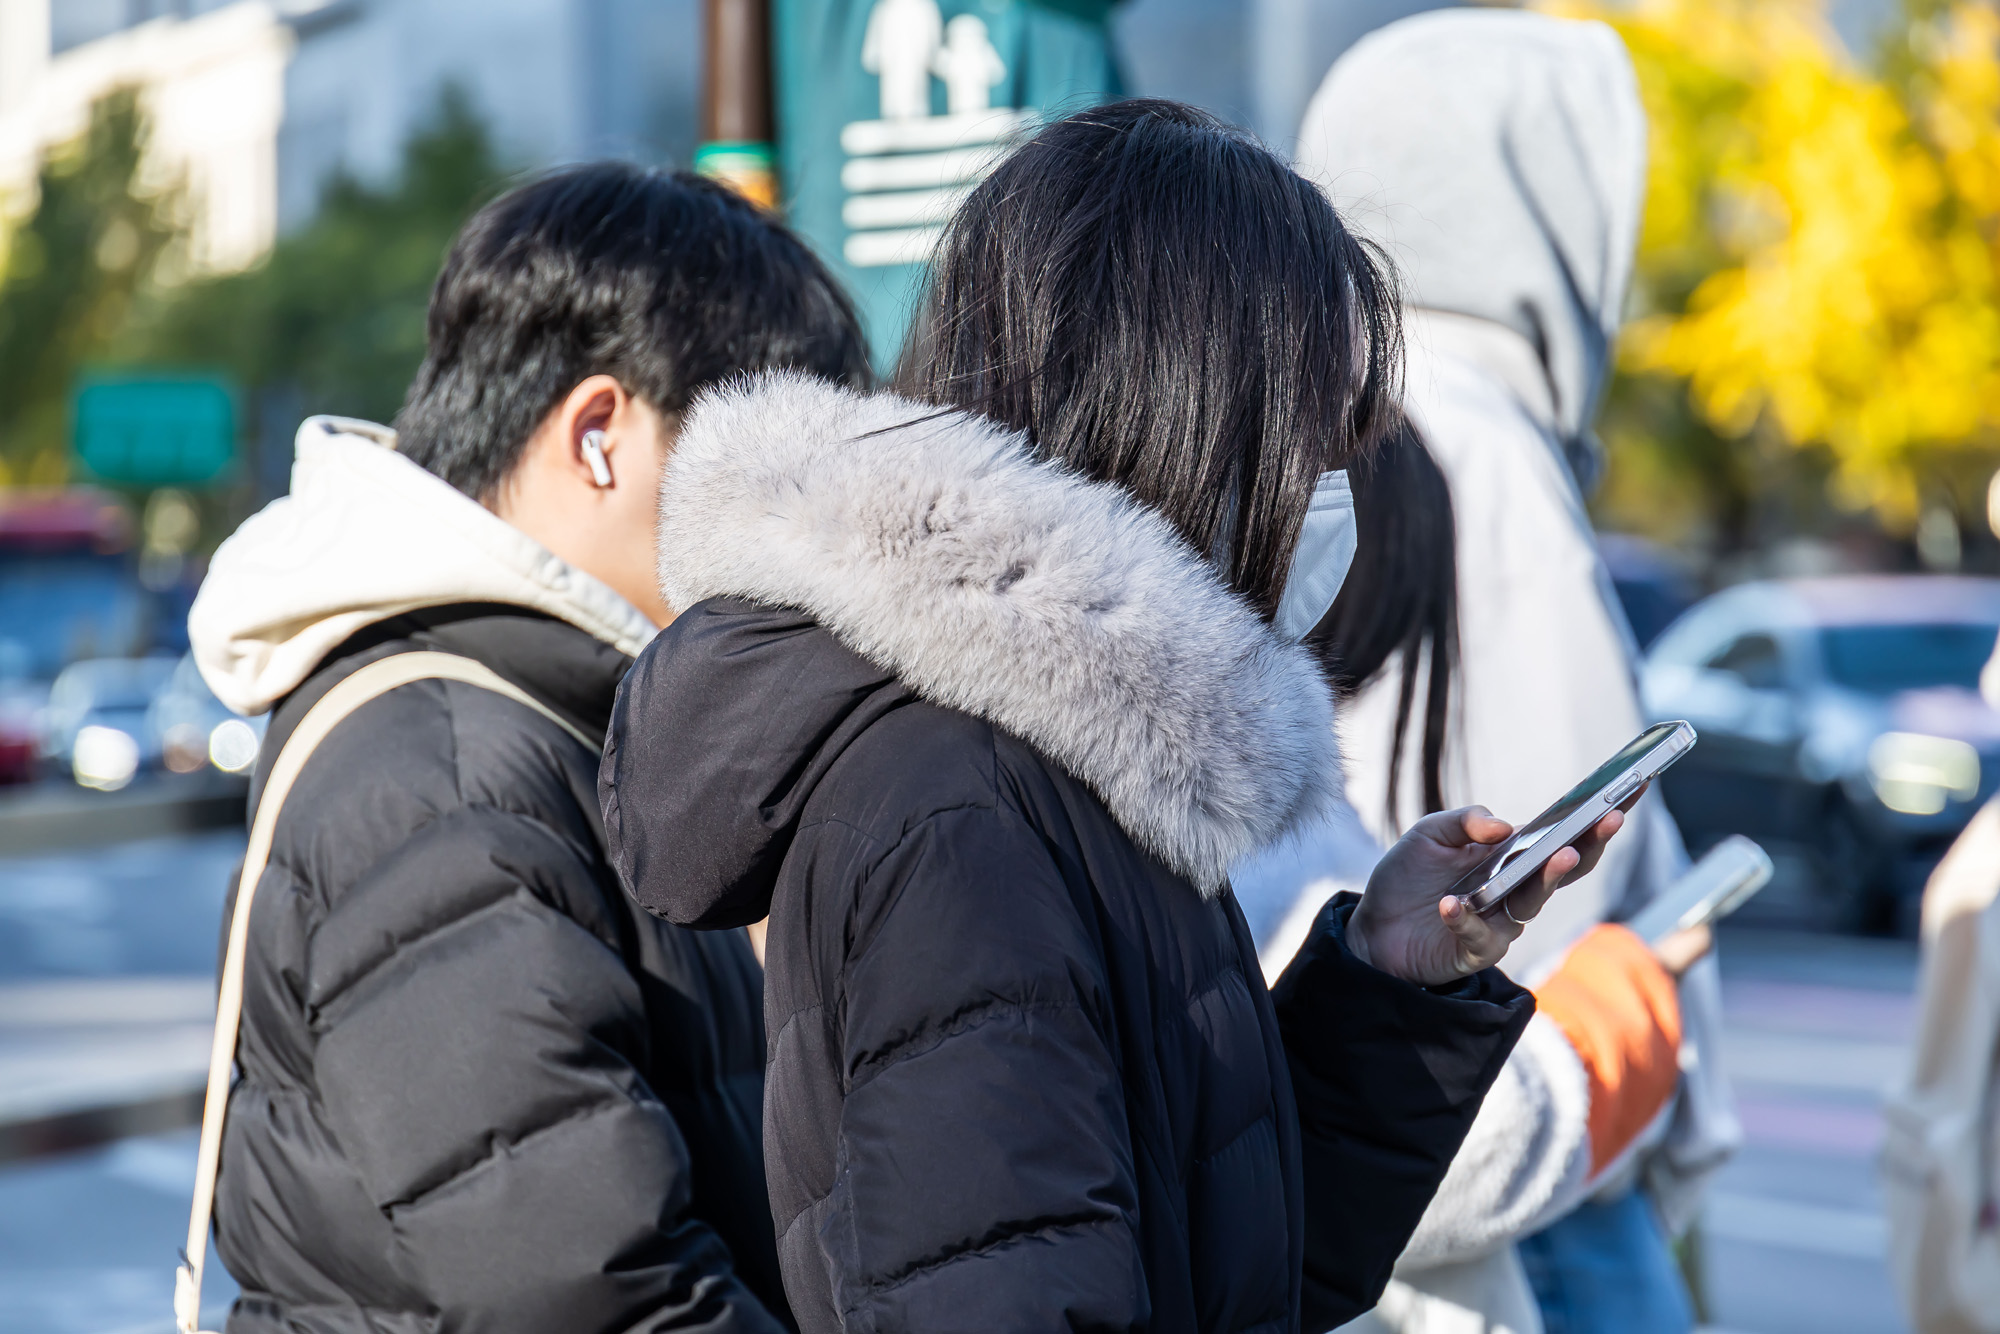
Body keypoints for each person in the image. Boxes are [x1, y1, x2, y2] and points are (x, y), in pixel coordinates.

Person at [596, 99, 1640, 1334]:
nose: (1322, 487)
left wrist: (1385, 982)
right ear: (1194, 414)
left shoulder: (1058, 757)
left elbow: (1222, 1251)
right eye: (1308, 431)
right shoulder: (961, 803)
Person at [186, 163, 869, 1334]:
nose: (786, 548)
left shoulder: (542, 731)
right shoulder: (446, 777)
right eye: (765, 481)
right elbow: (599, 1296)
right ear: (600, 434)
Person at [1288, 11, 1739, 1332]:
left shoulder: (1329, 391)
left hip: (1353, 1108)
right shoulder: (1479, 432)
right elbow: (1570, 821)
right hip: (1503, 1141)